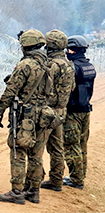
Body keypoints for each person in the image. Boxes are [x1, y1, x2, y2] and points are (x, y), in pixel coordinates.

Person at [0, 29, 50, 204]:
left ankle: (17, 192)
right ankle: (34, 191)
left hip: (25, 115)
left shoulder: (26, 65)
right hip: (42, 114)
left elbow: (11, 90)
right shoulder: (46, 64)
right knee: (36, 154)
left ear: (25, 46)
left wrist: (0, 109)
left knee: (18, 151)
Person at [40, 30, 75, 192]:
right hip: (61, 112)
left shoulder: (50, 65)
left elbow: (42, 88)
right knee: (57, 148)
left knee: (37, 148)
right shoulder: (69, 65)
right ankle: (56, 180)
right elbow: (72, 87)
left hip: (47, 112)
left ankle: (33, 182)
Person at [62, 35, 96, 190]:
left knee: (71, 145)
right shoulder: (89, 66)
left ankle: (76, 180)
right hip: (85, 110)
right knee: (82, 145)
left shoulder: (72, 68)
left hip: (73, 112)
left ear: (72, 49)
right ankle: (80, 176)